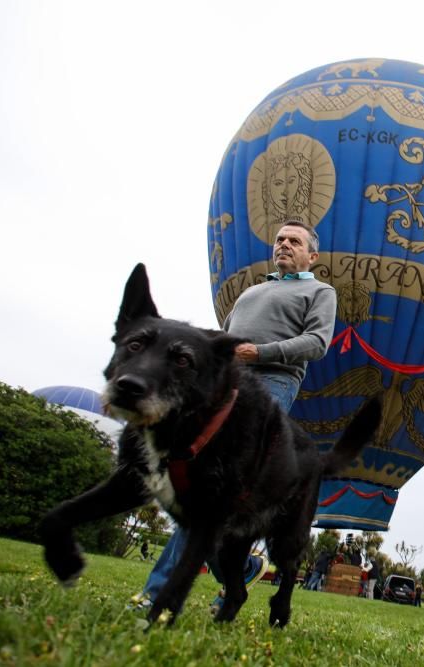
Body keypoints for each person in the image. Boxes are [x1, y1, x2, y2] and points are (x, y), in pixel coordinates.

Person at [128, 220, 337, 613]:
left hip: (272, 385)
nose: (284, 245)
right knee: (206, 495)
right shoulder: (253, 291)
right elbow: (223, 339)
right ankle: (238, 572)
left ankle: (156, 595)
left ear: (312, 255)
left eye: (294, 241)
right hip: (227, 384)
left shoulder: (319, 291)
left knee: (209, 491)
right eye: (279, 239)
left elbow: (317, 343)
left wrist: (259, 353)